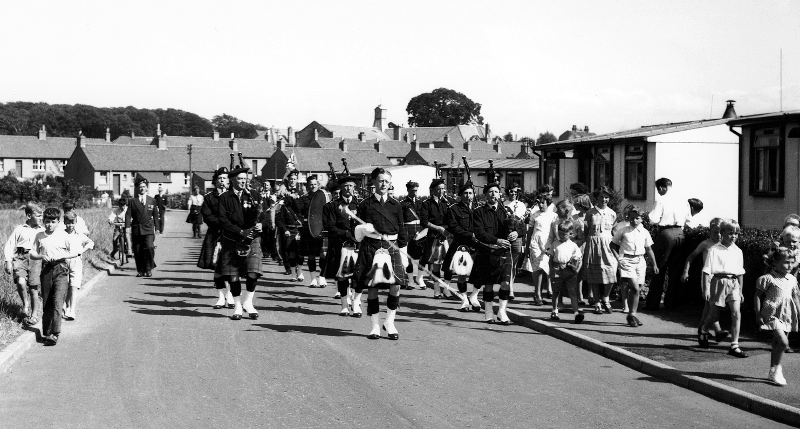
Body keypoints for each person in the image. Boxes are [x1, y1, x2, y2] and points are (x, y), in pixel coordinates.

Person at [353, 167, 407, 340]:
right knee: (373, 287)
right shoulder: (365, 205)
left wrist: (404, 252)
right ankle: (375, 326)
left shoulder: (396, 205)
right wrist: (362, 228)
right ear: (374, 182)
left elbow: (402, 229)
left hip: (392, 247)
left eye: (386, 181)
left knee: (396, 285)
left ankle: (389, 323)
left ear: (390, 184)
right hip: (372, 246)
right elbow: (355, 233)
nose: (384, 184)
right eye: (381, 181)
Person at [217, 164, 266, 320]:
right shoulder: (225, 198)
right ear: (232, 180)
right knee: (234, 276)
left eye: (245, 178)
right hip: (232, 239)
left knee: (253, 272)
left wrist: (261, 224)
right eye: (239, 179)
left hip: (252, 239)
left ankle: (248, 302)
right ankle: (237, 306)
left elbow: (263, 215)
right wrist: (240, 231)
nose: (243, 181)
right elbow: (223, 221)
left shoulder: (254, 195)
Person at [29, 207, 83, 346]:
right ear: (43, 221)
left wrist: (62, 255)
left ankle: (55, 333)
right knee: (47, 303)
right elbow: (32, 253)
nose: (50, 224)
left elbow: (76, 252)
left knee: (58, 302)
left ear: (58, 222)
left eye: (53, 222)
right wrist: (41, 256)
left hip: (61, 269)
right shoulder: (40, 236)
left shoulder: (64, 235)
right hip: (46, 270)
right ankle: (46, 332)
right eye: (47, 221)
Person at [698, 219, 748, 358]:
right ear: (723, 233)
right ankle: (704, 330)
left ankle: (734, 345)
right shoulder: (714, 250)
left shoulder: (738, 251)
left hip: (734, 283)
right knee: (714, 314)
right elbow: (706, 271)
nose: (734, 236)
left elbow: (740, 272)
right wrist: (706, 289)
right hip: (718, 282)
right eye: (731, 233)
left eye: (736, 234)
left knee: (736, 313)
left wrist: (741, 291)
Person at [754, 246, 800, 386]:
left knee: (776, 343)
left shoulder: (792, 279)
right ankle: (778, 370)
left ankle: (772, 370)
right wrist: (757, 313)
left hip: (787, 313)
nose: (790, 265)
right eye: (786, 262)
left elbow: (796, 297)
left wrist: (799, 311)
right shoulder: (767, 278)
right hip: (772, 313)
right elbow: (757, 296)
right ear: (775, 263)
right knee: (784, 342)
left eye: (792, 262)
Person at [472, 181, 516, 324]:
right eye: (490, 192)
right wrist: (496, 240)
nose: (493, 194)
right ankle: (489, 312)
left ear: (500, 194)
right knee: (489, 285)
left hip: (504, 252)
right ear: (485, 195)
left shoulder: (506, 211)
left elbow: (519, 227)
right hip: (487, 252)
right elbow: (479, 232)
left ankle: (502, 312)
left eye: (496, 192)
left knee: (505, 284)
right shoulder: (479, 212)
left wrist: (516, 233)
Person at [646, 178, 691, 310]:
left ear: (661, 188)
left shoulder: (661, 199)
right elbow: (688, 218)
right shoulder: (683, 200)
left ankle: (652, 304)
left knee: (659, 268)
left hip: (666, 233)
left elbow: (654, 219)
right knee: (675, 270)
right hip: (680, 233)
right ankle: (671, 303)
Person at [681, 218, 729, 341]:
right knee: (712, 305)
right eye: (715, 232)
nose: (718, 235)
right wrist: (686, 271)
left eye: (720, 232)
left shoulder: (725, 245)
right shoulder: (706, 244)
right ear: (710, 232)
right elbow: (691, 257)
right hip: (708, 278)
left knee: (710, 307)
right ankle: (717, 331)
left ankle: (702, 328)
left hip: (720, 279)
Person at [611, 206, 658, 327]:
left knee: (637, 288)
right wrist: (618, 259)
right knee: (635, 288)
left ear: (642, 219)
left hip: (640, 261)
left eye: (637, 218)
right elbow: (612, 245)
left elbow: (649, 249)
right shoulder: (623, 230)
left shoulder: (645, 232)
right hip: (626, 260)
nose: (634, 220)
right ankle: (632, 314)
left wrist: (654, 264)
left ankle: (632, 314)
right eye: (631, 218)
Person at [197, 167, 235, 310]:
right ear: (215, 181)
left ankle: (230, 295)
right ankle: (221, 296)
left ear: (229, 181)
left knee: (231, 268)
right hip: (215, 235)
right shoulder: (209, 197)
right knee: (218, 268)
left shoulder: (233, 197)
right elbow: (207, 216)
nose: (222, 180)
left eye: (225, 178)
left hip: (231, 236)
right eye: (219, 178)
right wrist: (222, 225)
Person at [323, 175, 361, 316]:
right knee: (343, 276)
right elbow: (330, 227)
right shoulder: (332, 206)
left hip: (358, 245)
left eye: (351, 185)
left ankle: (356, 303)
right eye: (345, 186)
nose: (348, 188)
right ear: (341, 188)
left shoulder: (361, 205)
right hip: (341, 244)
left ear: (354, 188)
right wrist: (346, 234)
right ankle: (344, 305)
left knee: (359, 276)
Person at [443, 179, 481, 312]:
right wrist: (471, 235)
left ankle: (474, 296)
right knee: (461, 275)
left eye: (471, 193)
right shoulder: (454, 209)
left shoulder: (479, 209)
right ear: (460, 195)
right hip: (462, 246)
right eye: (465, 193)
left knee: (479, 274)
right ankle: (464, 300)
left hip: (477, 246)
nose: (468, 196)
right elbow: (454, 228)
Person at [3, 202, 44, 325]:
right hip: (20, 257)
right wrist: (8, 261)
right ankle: (25, 303)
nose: (41, 218)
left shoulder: (42, 230)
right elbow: (9, 245)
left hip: (36, 260)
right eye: (38, 215)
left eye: (42, 215)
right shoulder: (20, 229)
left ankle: (34, 314)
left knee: (33, 288)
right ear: (29, 216)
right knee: (21, 282)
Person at [584, 186, 618, 315]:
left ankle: (606, 298)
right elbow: (586, 232)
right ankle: (597, 303)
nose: (604, 199)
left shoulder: (612, 213)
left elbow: (614, 231)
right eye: (601, 197)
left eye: (606, 197)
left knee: (611, 269)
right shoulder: (590, 213)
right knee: (595, 273)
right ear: (597, 198)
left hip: (608, 243)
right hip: (593, 243)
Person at [420, 177, 451, 299]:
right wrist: (438, 228)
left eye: (443, 189)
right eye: (439, 189)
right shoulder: (426, 204)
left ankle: (447, 289)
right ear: (432, 190)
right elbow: (424, 221)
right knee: (436, 265)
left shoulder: (447, 203)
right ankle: (437, 289)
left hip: (447, 237)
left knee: (449, 264)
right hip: (434, 237)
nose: (441, 191)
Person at [548, 220, 583, 323]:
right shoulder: (555, 244)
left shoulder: (573, 245)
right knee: (556, 292)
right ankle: (554, 310)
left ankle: (576, 313)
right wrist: (551, 270)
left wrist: (576, 270)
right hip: (557, 269)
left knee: (572, 291)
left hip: (569, 270)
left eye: (565, 234)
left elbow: (579, 259)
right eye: (560, 234)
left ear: (570, 234)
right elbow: (551, 258)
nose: (562, 236)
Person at [62, 212, 94, 321]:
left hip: (76, 262)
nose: (70, 225)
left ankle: (72, 309)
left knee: (74, 285)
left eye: (72, 223)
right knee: (65, 285)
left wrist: (82, 251)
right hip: (63, 262)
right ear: (64, 223)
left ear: (75, 223)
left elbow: (90, 243)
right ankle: (64, 306)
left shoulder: (79, 235)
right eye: (68, 223)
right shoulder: (61, 234)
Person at [298, 175, 327, 288]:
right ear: (307, 186)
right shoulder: (303, 199)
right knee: (310, 255)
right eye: (311, 184)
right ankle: (313, 279)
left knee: (323, 255)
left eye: (315, 184)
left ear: (318, 185)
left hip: (321, 228)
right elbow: (299, 210)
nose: (313, 186)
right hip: (308, 229)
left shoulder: (323, 197)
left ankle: (322, 278)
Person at [127, 178, 160, 277]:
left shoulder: (152, 200)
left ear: (146, 188)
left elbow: (155, 215)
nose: (142, 188)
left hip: (148, 228)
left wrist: (157, 228)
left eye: (143, 187)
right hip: (137, 228)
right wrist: (127, 226)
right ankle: (140, 270)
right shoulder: (133, 201)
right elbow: (128, 215)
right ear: (138, 189)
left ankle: (148, 268)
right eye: (140, 187)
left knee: (149, 247)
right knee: (138, 251)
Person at [527, 196, 557, 306]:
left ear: (548, 203)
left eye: (542, 203)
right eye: (539, 202)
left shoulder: (554, 216)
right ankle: (537, 294)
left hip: (548, 242)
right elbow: (530, 232)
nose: (540, 205)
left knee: (547, 267)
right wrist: (526, 248)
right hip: (535, 242)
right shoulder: (534, 215)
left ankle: (547, 291)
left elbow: (555, 231)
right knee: (537, 267)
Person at [275, 170, 304, 280]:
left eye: (294, 179)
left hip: (298, 226)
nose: (292, 181)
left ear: (297, 180)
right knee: (289, 251)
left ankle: (299, 271)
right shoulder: (283, 193)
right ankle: (291, 271)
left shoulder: (301, 193)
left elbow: (300, 209)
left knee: (300, 251)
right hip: (288, 226)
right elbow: (279, 211)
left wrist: (292, 197)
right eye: (291, 179)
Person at [504, 182, 527, 300]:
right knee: (508, 262)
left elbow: (524, 224)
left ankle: (510, 286)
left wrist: (518, 233)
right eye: (511, 191)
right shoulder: (503, 204)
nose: (513, 193)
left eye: (515, 192)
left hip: (517, 237)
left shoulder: (521, 205)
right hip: (506, 236)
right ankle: (508, 287)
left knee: (514, 263)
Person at [401, 181, 425, 289]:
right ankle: (410, 280)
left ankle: (420, 278)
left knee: (423, 256)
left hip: (420, 230)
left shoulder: (421, 203)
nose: (414, 193)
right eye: (412, 190)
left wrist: (422, 231)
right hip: (408, 230)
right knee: (409, 256)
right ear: (408, 190)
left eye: (416, 190)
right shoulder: (402, 203)